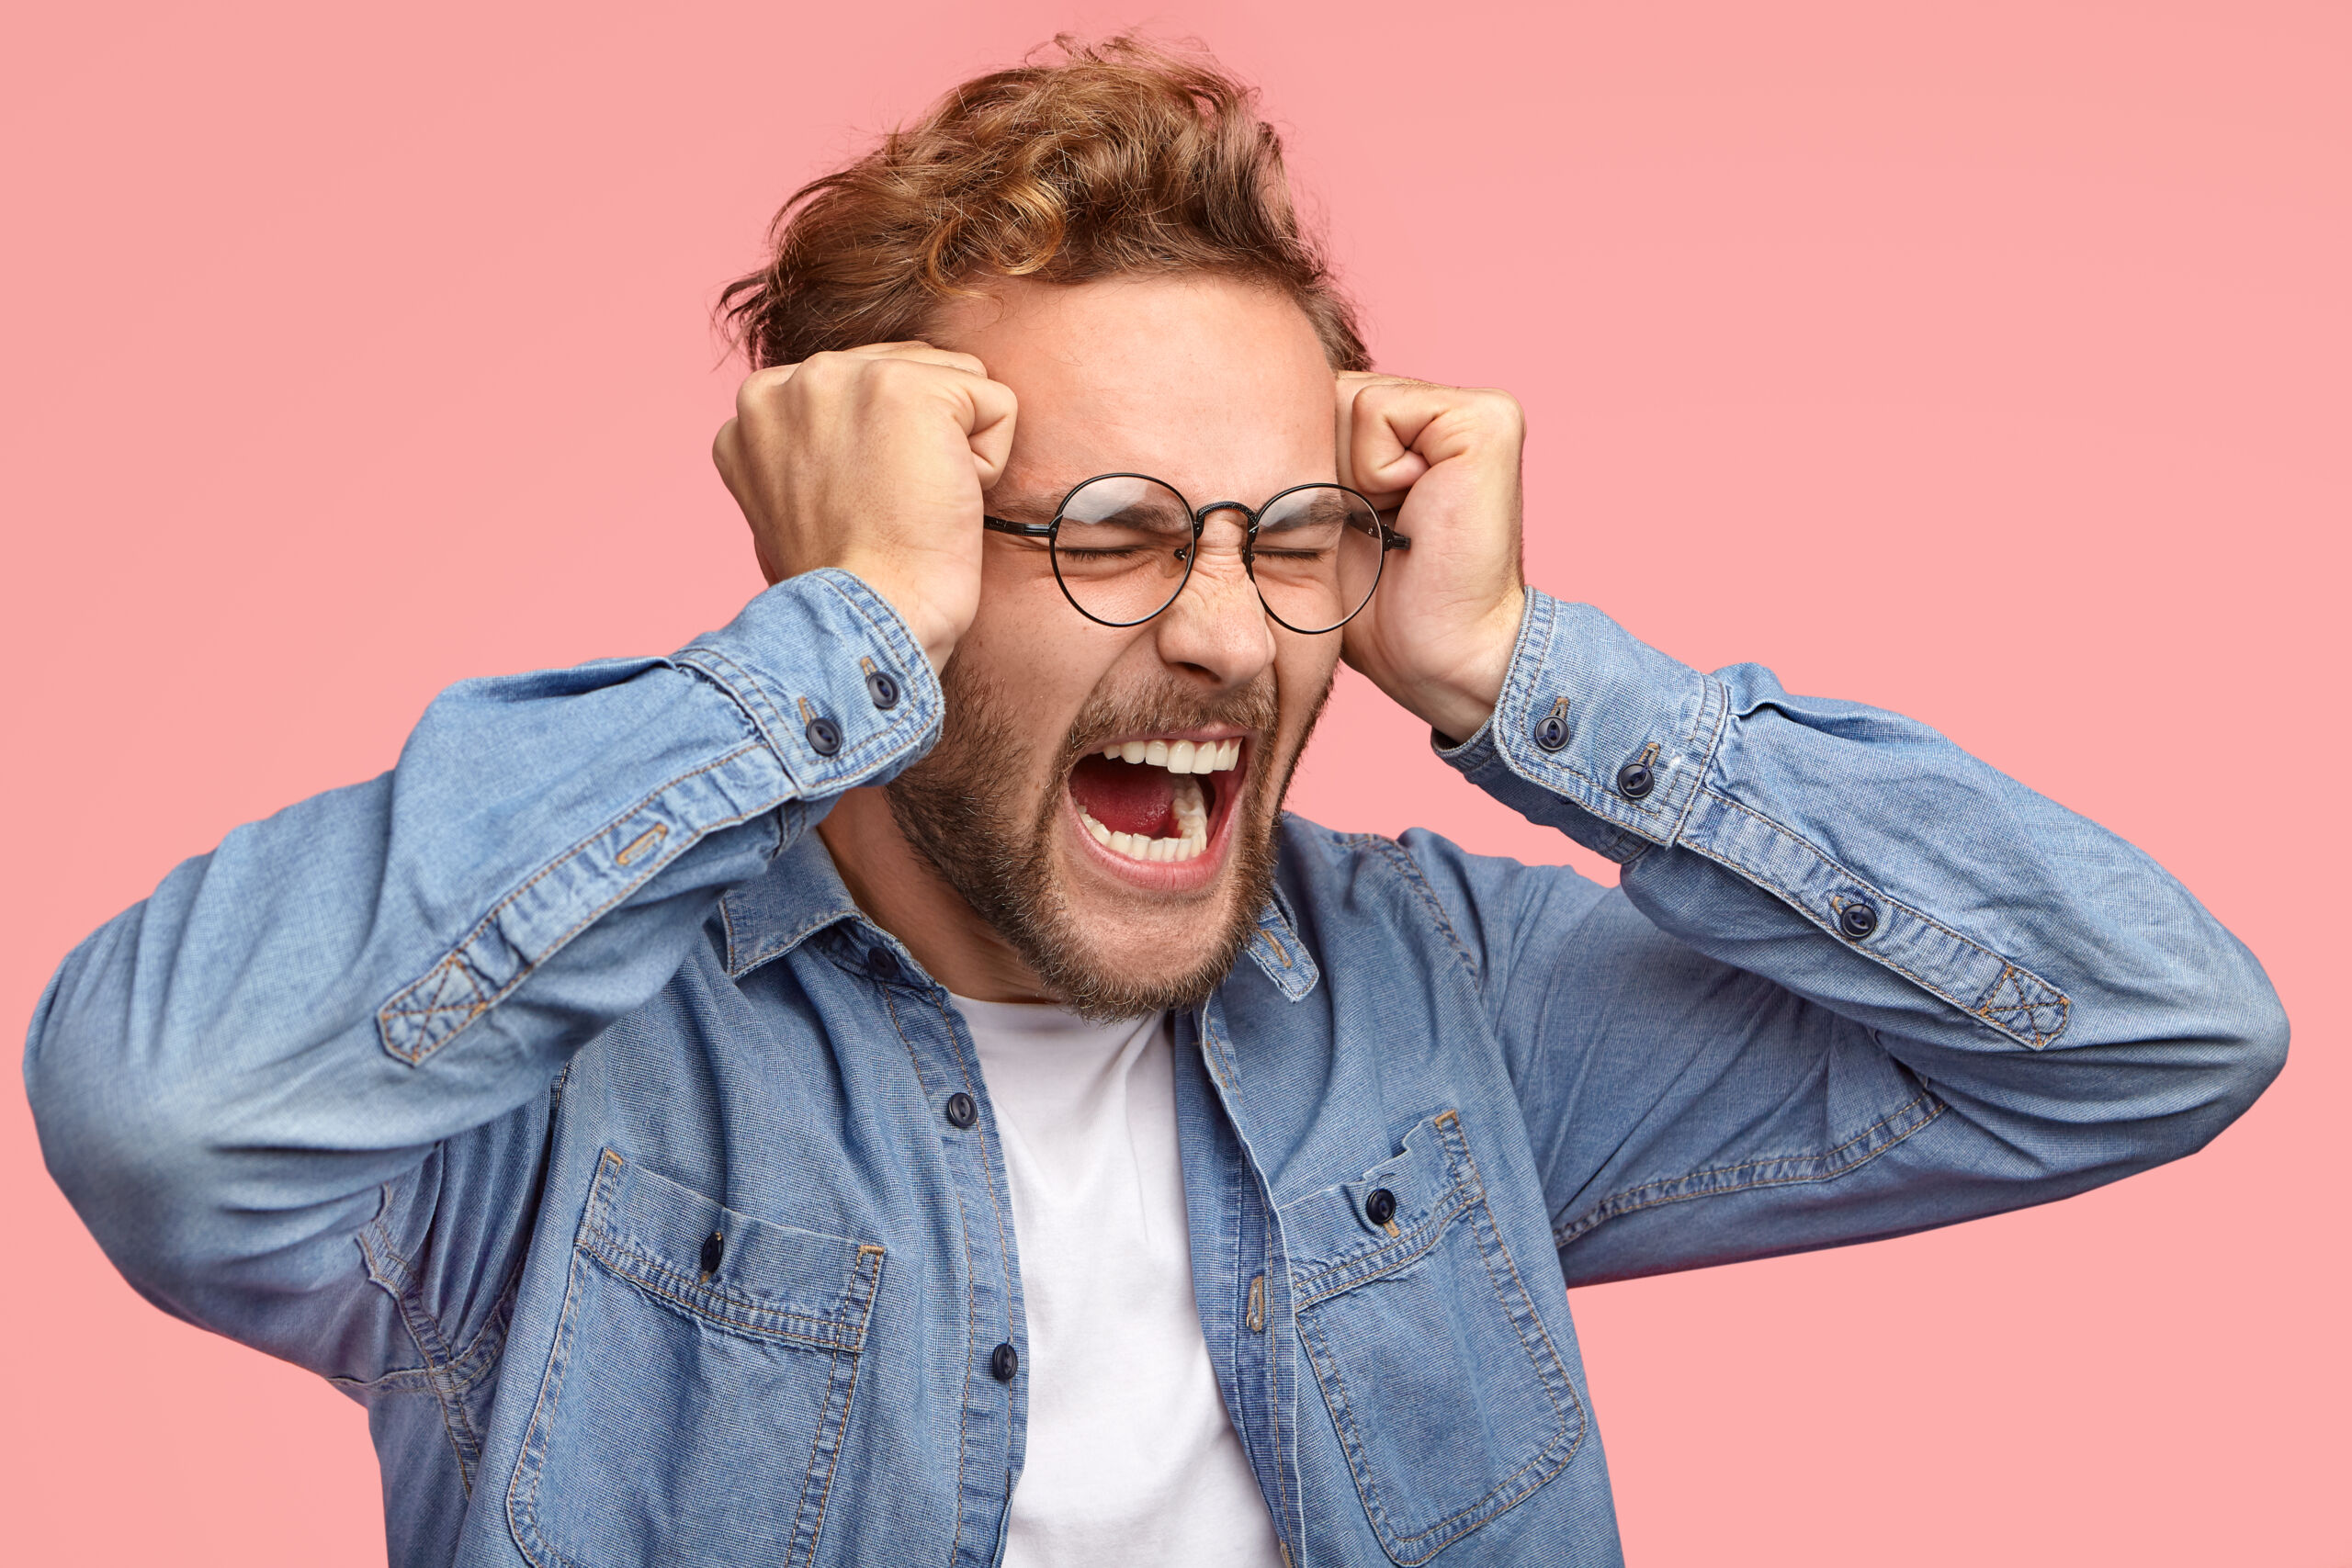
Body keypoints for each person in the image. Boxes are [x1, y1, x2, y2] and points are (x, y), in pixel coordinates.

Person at [23, 35, 2286, 1568]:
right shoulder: (552, 1067)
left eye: (1284, 530)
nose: (1220, 632)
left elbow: (2149, 1026)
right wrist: (817, 651)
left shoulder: (1447, 1004)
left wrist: (1511, 668)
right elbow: (168, 1111)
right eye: (1108, 525)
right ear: (882, 558)